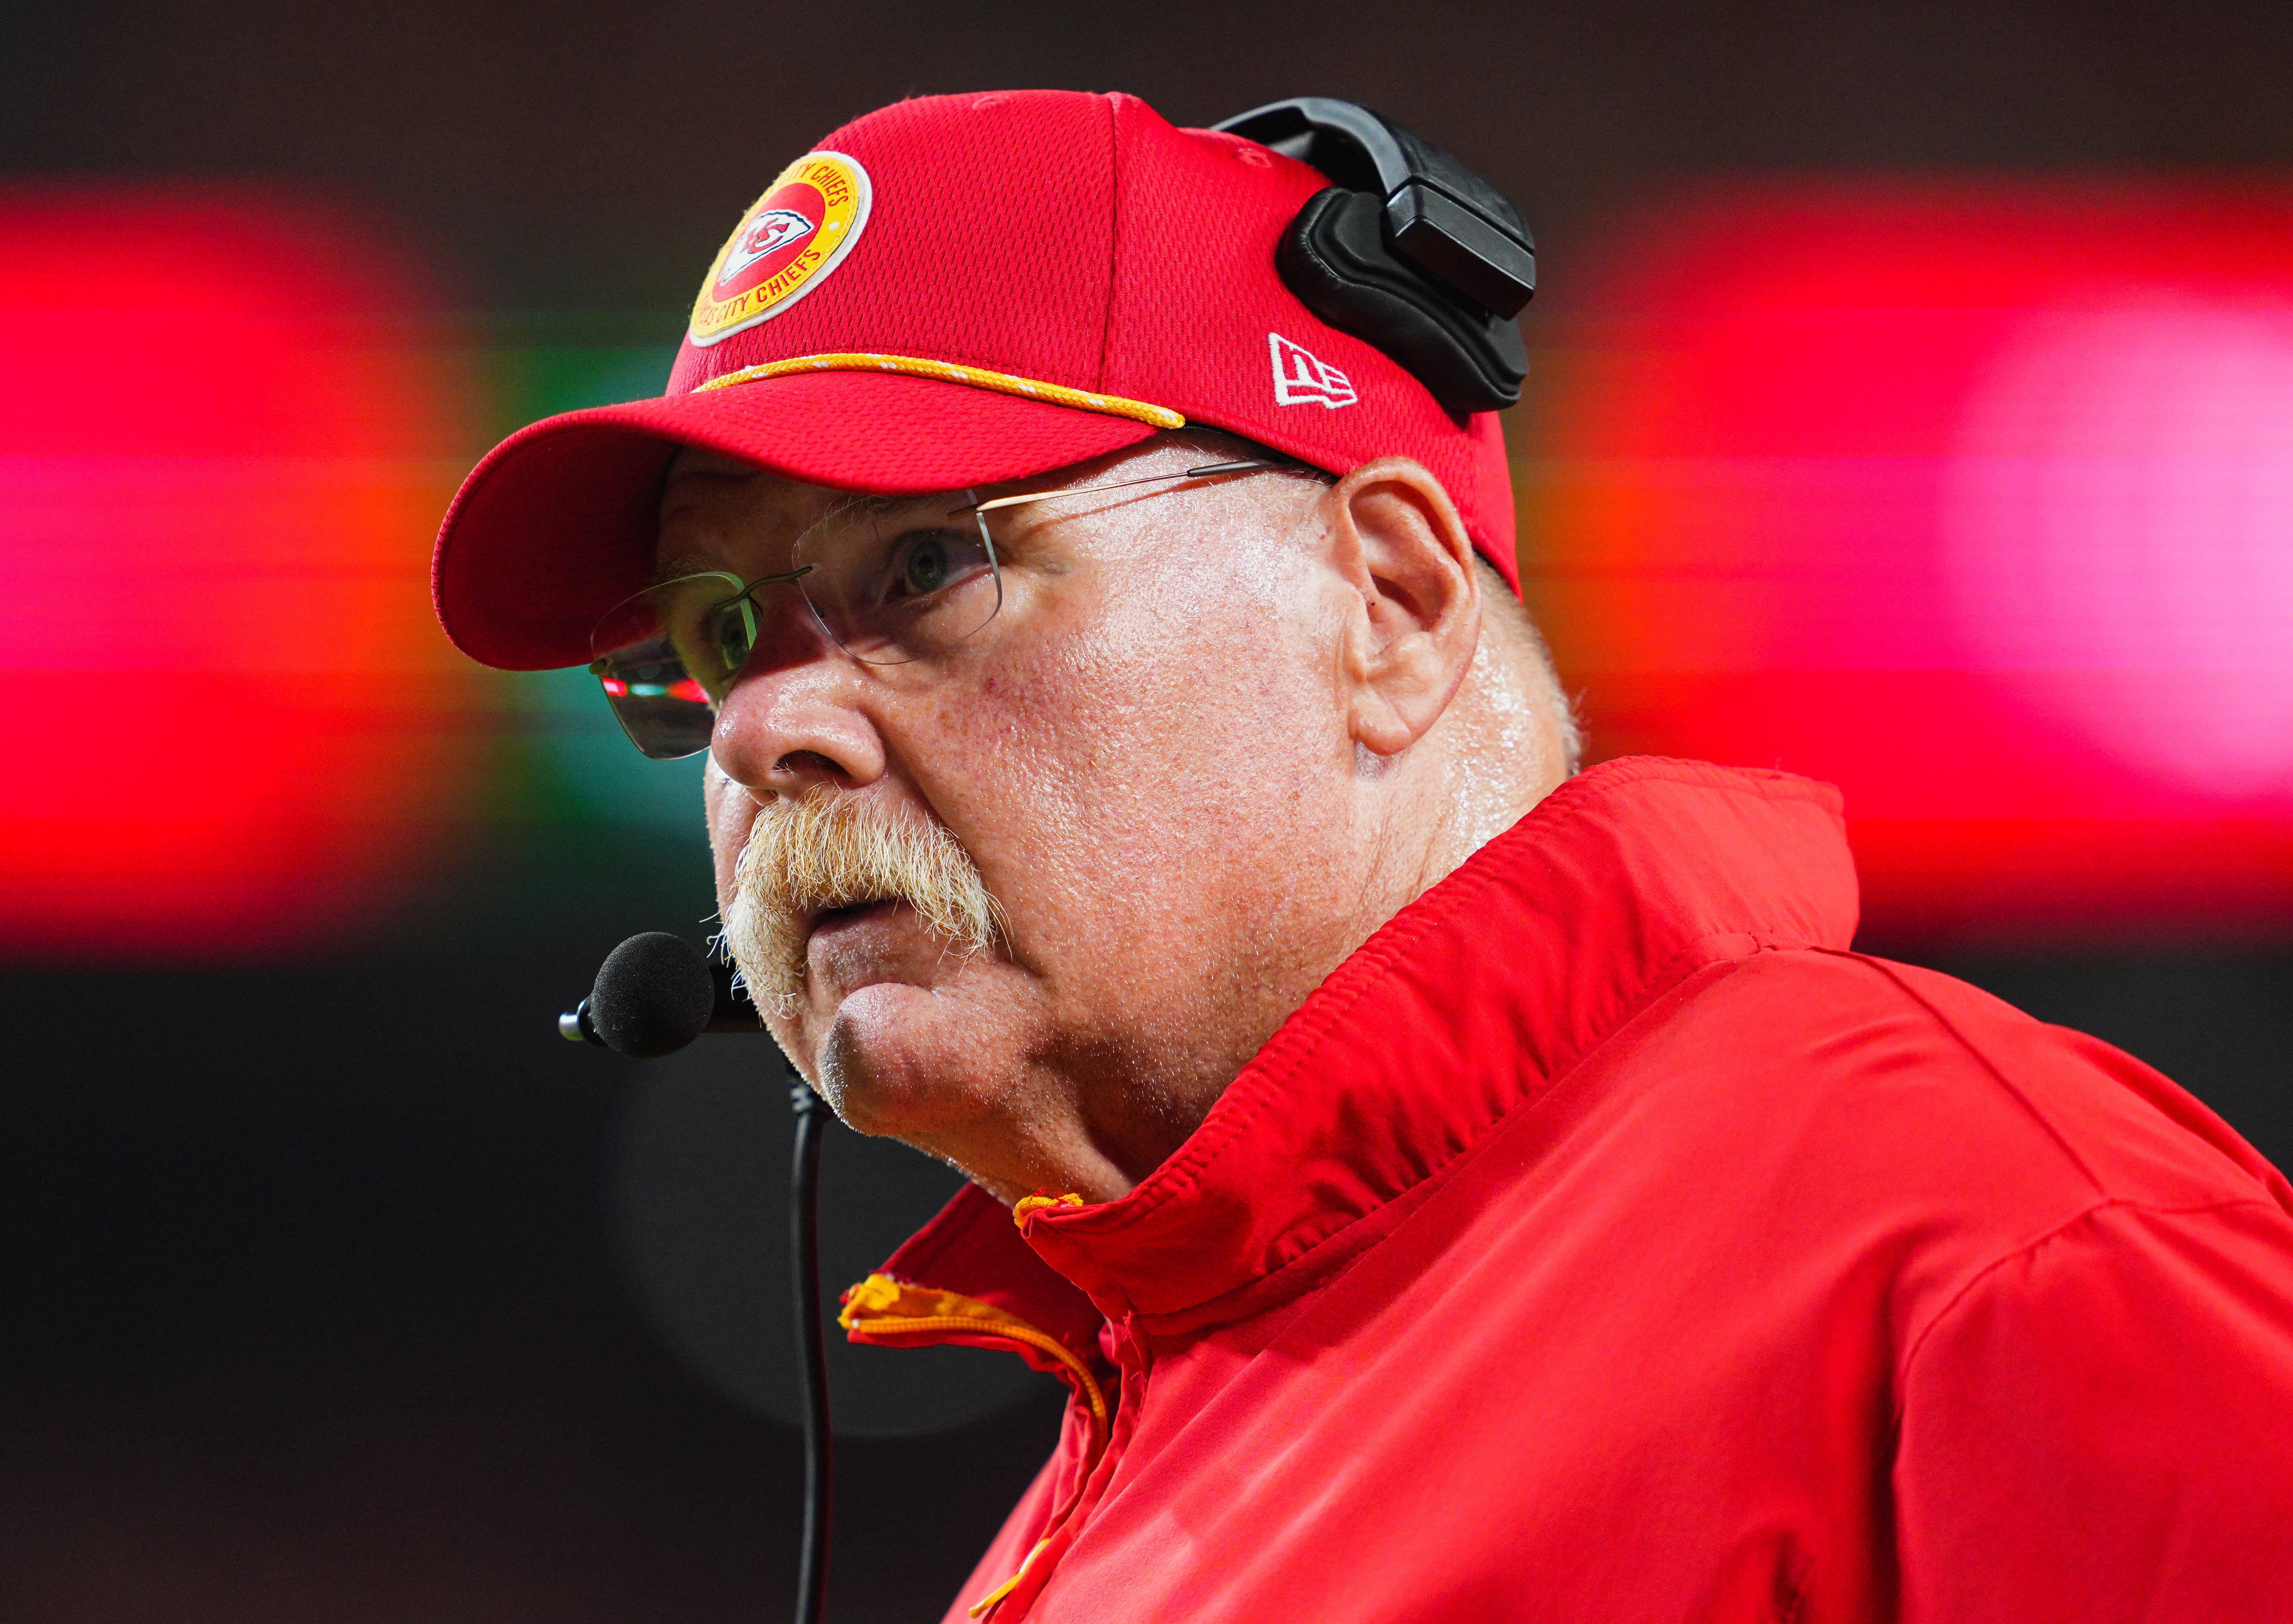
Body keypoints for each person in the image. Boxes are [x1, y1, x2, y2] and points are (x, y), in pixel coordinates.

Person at [434, 89, 2293, 1623]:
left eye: (927, 565)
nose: (764, 729)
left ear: (1389, 601)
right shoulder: (1110, 1500)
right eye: (716, 642)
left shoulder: (1990, 1255)